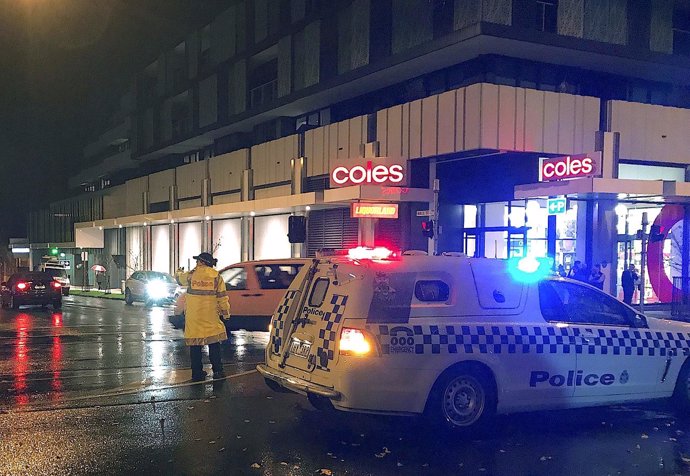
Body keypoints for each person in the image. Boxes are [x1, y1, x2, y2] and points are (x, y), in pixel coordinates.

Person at [178, 252, 231, 382]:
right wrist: (226, 313)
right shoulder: (216, 276)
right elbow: (222, 298)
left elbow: (179, 279)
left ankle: (197, 373)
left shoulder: (191, 275)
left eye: (197, 261)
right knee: (213, 344)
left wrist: (178, 271)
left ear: (202, 262)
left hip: (194, 317)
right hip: (210, 316)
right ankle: (218, 371)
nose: (196, 263)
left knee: (195, 346)